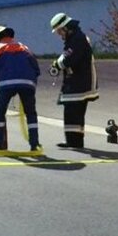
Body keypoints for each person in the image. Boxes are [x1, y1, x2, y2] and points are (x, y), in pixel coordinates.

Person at [49, 12, 99, 148]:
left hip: (80, 82)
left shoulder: (77, 39)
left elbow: (69, 58)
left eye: (59, 31)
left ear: (65, 28)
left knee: (73, 111)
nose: (60, 35)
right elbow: (66, 56)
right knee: (74, 111)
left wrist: (57, 66)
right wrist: (57, 64)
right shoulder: (76, 38)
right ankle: (74, 141)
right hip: (78, 81)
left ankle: (74, 142)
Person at [0, 25, 41, 150]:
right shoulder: (24, 47)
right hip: (28, 83)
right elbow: (36, 68)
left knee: (0, 113)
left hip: (6, 83)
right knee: (31, 113)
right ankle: (34, 143)